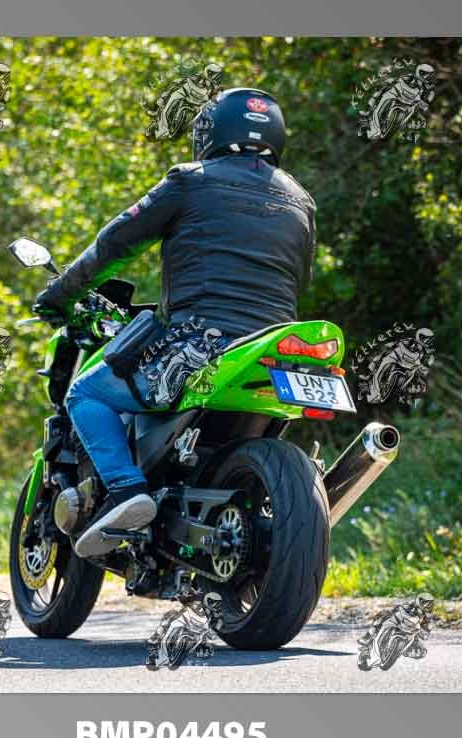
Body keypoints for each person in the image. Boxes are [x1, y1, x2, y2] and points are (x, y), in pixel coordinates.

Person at [33, 88, 317, 558]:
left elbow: (115, 244)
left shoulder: (190, 181)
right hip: (274, 347)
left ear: (212, 131)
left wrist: (61, 293)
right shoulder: (300, 200)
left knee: (86, 393)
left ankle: (127, 491)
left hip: (200, 344)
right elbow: (299, 277)